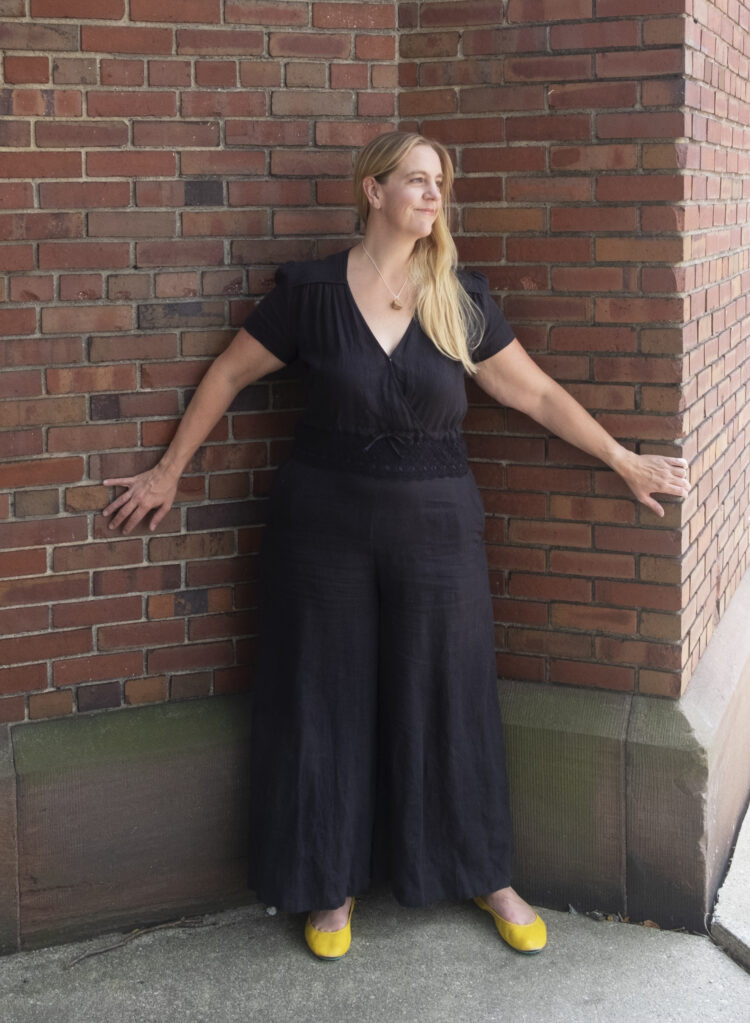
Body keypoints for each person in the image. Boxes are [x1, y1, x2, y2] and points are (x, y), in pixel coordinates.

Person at [103, 130, 690, 961]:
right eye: (415, 179)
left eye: (440, 182)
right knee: (324, 696)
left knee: (450, 691)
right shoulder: (308, 295)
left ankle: (488, 874)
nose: (431, 194)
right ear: (371, 190)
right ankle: (328, 883)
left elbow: (536, 393)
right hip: (321, 531)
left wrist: (623, 458)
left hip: (438, 528)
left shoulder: (455, 294)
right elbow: (229, 374)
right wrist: (168, 472)